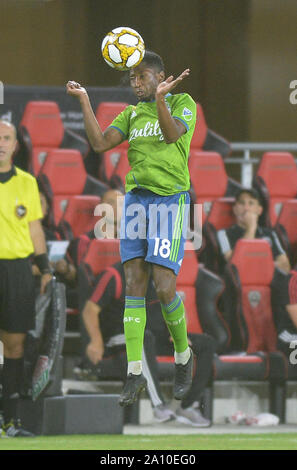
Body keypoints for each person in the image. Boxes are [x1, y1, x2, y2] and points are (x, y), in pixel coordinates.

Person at [67, 50, 197, 406]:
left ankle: (184, 356)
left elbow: (172, 136)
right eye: (133, 79)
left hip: (170, 200)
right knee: (134, 285)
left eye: (142, 76)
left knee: (164, 285)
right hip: (137, 200)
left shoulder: (184, 102)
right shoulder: (130, 114)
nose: (135, 83)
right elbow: (99, 143)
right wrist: (85, 101)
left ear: (160, 76)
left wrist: (160, 102)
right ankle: (134, 372)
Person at [81, 261, 214, 426]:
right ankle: (158, 405)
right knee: (144, 337)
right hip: (120, 339)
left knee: (206, 343)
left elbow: (176, 305)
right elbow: (90, 309)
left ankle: (187, 406)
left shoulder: (160, 275)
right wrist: (95, 341)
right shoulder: (114, 275)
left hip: (154, 338)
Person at [0, 120, 52, 437]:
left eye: (6, 138)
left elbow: (35, 229)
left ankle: (10, 419)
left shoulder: (28, 183)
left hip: (17, 270)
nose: (1, 143)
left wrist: (45, 267)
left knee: (15, 346)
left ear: (15, 145)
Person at [217, 188, 291, 274]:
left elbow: (285, 266)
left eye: (251, 203)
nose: (246, 208)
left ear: (259, 210)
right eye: (241, 203)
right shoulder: (224, 234)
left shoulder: (270, 234)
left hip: (268, 282)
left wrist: (256, 265)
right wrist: (251, 228)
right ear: (235, 209)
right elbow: (236, 264)